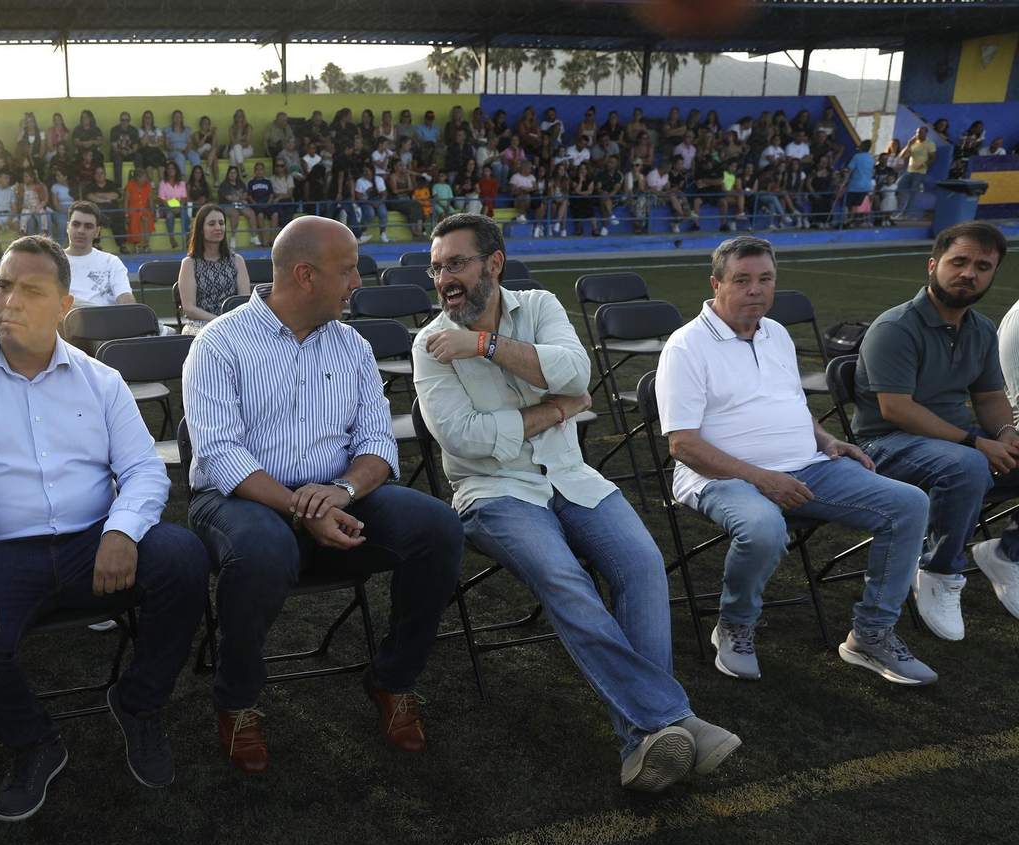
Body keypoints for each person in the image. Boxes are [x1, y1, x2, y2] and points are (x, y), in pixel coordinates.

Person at [413, 214, 742, 791]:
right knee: (567, 580)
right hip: (494, 493)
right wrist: (559, 409)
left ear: (494, 263)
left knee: (642, 564)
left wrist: (485, 345)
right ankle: (670, 719)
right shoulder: (430, 344)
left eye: (456, 263)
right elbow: (467, 439)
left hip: (571, 476)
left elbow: (576, 370)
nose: (445, 278)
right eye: (437, 267)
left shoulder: (538, 306)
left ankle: (644, 742)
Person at [0, 234, 207, 820]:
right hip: (2, 551)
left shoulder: (100, 380)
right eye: (3, 286)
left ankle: (138, 703)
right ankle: (34, 741)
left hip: (92, 545)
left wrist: (121, 532)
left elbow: (145, 472)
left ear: (64, 306)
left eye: (31, 290)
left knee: (182, 558)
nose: (9, 302)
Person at [182, 216, 464, 774]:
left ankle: (392, 679)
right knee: (264, 550)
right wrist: (298, 508)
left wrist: (338, 492)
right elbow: (219, 455)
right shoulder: (219, 343)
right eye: (347, 269)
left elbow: (379, 446)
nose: (358, 281)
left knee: (438, 527)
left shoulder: (352, 346)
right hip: (238, 500)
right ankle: (236, 698)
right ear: (305, 275)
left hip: (337, 495)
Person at [657, 237, 936, 684]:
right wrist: (764, 479)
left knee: (910, 504)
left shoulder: (776, 333)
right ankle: (734, 624)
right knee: (765, 528)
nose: (756, 290)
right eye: (742, 280)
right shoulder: (686, 346)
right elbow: (683, 446)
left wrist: (827, 440)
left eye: (765, 279)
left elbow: (790, 405)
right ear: (716, 284)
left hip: (807, 464)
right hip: (718, 476)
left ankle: (871, 634)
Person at [853, 222, 1019, 640]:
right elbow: (896, 409)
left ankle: (1007, 553)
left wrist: (1004, 433)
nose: (969, 273)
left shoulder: (980, 329)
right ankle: (939, 571)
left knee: (974, 460)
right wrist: (975, 442)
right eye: (958, 262)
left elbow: (987, 397)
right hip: (885, 445)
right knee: (967, 466)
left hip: (954, 445)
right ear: (933, 265)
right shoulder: (896, 327)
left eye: (983, 266)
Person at [177, 204, 249, 335]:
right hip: (201, 324)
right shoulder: (189, 264)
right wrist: (218, 321)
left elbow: (243, 303)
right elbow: (189, 309)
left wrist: (230, 322)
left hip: (233, 323)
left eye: (221, 223)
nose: (218, 228)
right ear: (200, 229)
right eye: (211, 224)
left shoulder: (237, 261)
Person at [62, 202, 133, 307]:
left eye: (88, 226)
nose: (81, 231)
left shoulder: (111, 262)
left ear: (97, 232)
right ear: (68, 227)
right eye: (76, 224)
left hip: (104, 321)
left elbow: (125, 296)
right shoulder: (54, 262)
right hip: (65, 321)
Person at [893, 127, 936, 222]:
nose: (918, 134)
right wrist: (909, 144)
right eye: (917, 133)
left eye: (920, 133)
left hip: (920, 172)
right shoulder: (914, 143)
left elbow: (933, 158)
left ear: (926, 133)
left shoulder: (930, 144)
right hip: (909, 170)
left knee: (912, 192)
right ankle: (895, 209)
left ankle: (904, 214)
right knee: (897, 186)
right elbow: (902, 156)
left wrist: (923, 164)